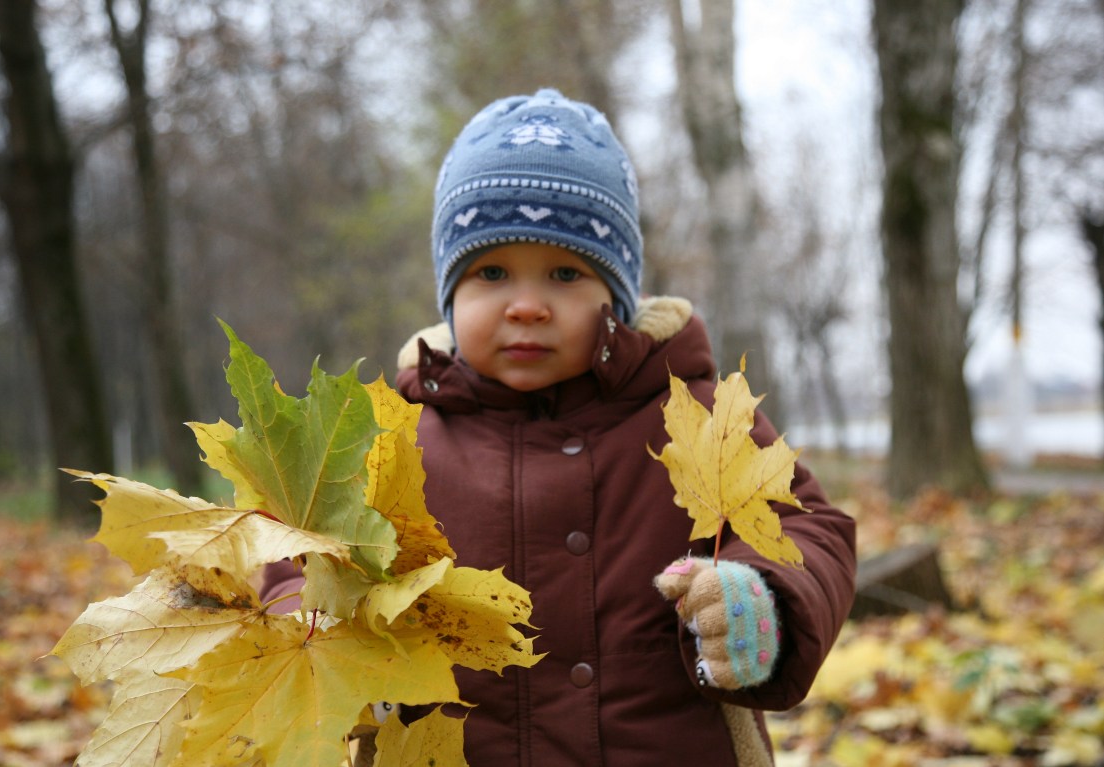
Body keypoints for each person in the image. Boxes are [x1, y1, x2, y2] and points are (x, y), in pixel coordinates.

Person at [262, 88, 856, 765]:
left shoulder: (692, 418)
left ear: (617, 295)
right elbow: (294, 553)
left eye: (565, 273)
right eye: (489, 271)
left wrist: (762, 599)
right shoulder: (391, 437)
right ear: (449, 296)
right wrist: (308, 630)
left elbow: (808, 527)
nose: (526, 305)